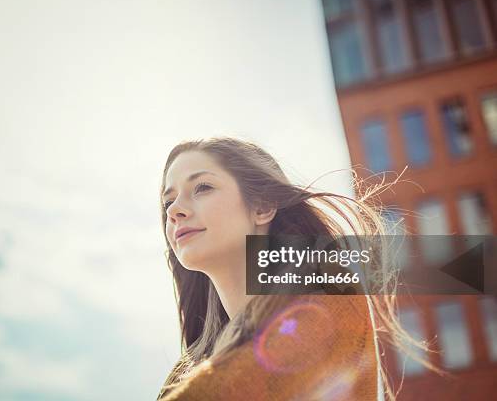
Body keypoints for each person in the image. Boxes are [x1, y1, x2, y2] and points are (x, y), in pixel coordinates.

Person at [156, 137, 444, 401]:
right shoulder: (188, 370)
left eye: (202, 187)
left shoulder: (328, 304)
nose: (173, 210)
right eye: (169, 200)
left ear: (262, 206)